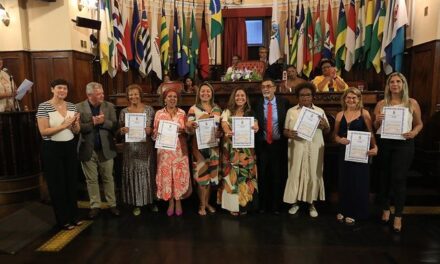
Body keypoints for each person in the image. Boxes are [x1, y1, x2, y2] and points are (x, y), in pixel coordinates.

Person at [374, 72, 423, 232]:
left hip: (404, 144)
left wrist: (414, 133)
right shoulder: (382, 103)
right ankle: (386, 209)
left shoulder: (411, 103)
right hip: (385, 143)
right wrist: (377, 120)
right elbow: (375, 127)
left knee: (399, 179)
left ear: (403, 84)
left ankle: (399, 216)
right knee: (385, 177)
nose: (395, 84)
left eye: (398, 81)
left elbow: (419, 124)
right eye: (392, 82)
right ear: (388, 85)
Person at [36, 79, 82, 230]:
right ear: (52, 89)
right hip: (52, 149)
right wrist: (64, 125)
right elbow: (43, 131)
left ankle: (74, 217)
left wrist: (75, 125)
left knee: (71, 183)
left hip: (69, 147)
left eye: (65, 89)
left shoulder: (71, 106)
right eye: (59, 88)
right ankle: (63, 220)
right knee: (58, 185)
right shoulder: (44, 106)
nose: (62, 91)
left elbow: (76, 131)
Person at [283, 82, 330, 217]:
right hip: (297, 147)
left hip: (315, 146)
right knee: (295, 173)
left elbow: (327, 130)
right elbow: (285, 131)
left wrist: (325, 125)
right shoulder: (291, 111)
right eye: (302, 95)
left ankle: (312, 204)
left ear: (312, 96)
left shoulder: (319, 111)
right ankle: (295, 202)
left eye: (308, 95)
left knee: (313, 173)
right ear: (298, 97)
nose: (305, 98)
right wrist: (289, 134)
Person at [334, 87, 378, 225]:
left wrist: (375, 147)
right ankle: (343, 209)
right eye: (348, 97)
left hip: (360, 153)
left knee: (358, 182)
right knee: (345, 181)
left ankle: (356, 212)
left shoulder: (364, 113)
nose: (351, 100)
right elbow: (334, 135)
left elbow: (371, 133)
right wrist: (339, 140)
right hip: (344, 153)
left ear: (359, 99)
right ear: (344, 99)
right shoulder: (340, 114)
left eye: (354, 97)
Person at [77, 82, 120, 219]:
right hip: (88, 148)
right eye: (99, 94)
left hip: (106, 148)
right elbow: (77, 128)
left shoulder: (109, 106)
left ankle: (112, 204)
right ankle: (95, 206)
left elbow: (114, 125)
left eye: (102, 93)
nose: (103, 95)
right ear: (89, 95)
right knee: (91, 180)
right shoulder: (78, 107)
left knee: (108, 178)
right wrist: (93, 123)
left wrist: (103, 122)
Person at [219, 87, 259, 216]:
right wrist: (226, 130)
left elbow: (256, 125)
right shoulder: (227, 111)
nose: (240, 98)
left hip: (247, 151)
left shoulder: (250, 112)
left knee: (246, 177)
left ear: (246, 98)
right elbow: (224, 123)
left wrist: (256, 128)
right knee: (231, 178)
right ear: (233, 97)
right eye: (237, 95)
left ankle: (245, 205)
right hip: (231, 150)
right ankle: (232, 206)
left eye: (242, 95)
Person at [119, 84, 157, 216]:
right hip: (130, 149)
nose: (133, 96)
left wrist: (150, 130)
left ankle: (151, 201)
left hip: (145, 147)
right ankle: (136, 203)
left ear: (140, 95)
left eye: (135, 94)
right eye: (131, 94)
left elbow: (154, 129)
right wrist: (123, 130)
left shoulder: (149, 110)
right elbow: (120, 130)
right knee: (134, 175)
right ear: (127, 96)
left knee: (148, 173)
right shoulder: (124, 112)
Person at [253, 79, 290, 214]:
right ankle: (263, 205)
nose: (266, 89)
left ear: (275, 88)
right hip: (262, 145)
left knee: (277, 176)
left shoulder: (284, 103)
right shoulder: (256, 104)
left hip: (278, 145)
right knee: (262, 176)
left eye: (268, 86)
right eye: (263, 87)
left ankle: (276, 206)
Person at [186, 82, 222, 216]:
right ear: (199, 93)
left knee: (211, 179)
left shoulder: (217, 109)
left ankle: (207, 203)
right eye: (203, 91)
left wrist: (220, 133)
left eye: (208, 91)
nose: (205, 93)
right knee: (202, 178)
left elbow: (219, 129)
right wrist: (190, 126)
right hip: (198, 148)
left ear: (212, 93)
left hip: (213, 148)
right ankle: (201, 204)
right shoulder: (193, 109)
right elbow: (188, 127)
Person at [153, 88, 190, 217]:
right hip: (164, 151)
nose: (172, 98)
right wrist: (155, 134)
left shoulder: (182, 113)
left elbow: (187, 131)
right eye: (169, 96)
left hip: (179, 149)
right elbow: (154, 133)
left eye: (174, 96)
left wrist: (183, 131)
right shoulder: (158, 113)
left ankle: (178, 201)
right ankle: (170, 202)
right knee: (167, 176)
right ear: (165, 99)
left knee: (178, 175)